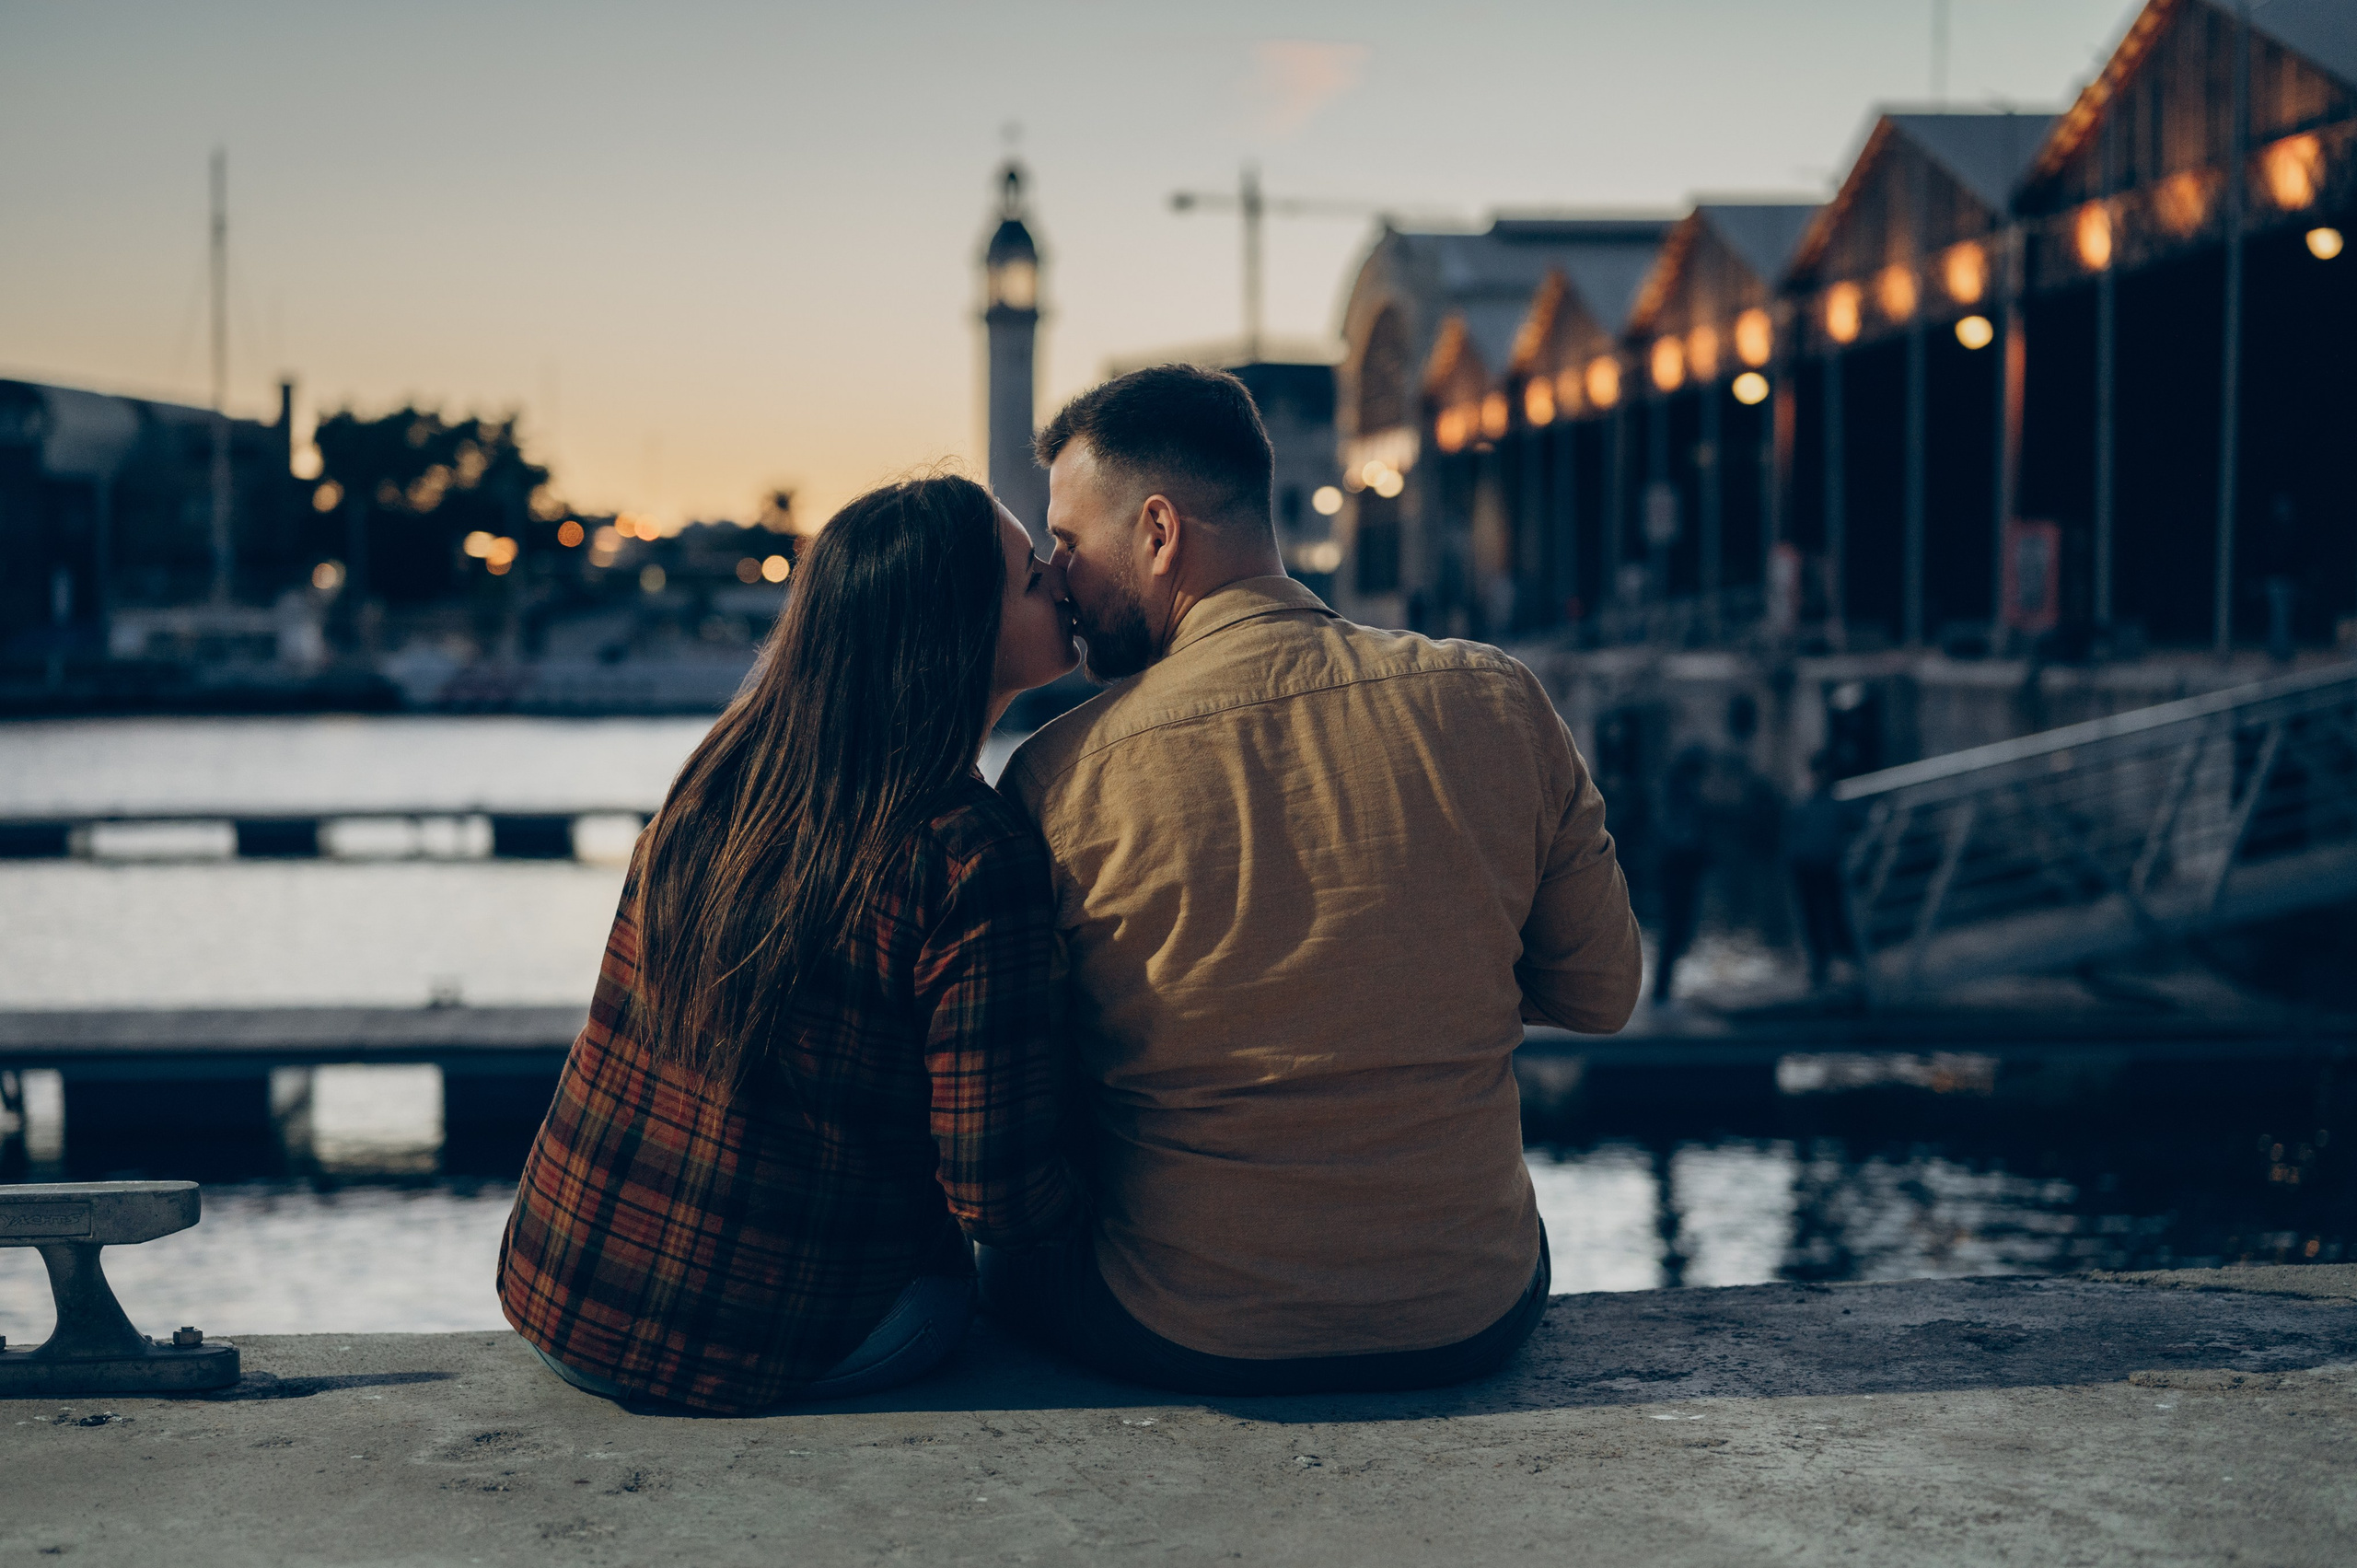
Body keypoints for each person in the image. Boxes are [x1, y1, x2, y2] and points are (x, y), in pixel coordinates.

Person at [987, 365, 1642, 1395]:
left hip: (1185, 1325)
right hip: (1466, 1310)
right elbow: (1602, 996)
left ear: (1157, 532)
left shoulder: (1062, 773)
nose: (1058, 578)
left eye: (1068, 543)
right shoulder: (1498, 700)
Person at [498, 474, 1086, 1414]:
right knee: (965, 1300)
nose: (1061, 578)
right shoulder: (970, 851)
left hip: (561, 1289)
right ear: (955, 627)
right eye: (1028, 576)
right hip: (750, 1342)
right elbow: (999, 1196)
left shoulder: (724, 772)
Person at [1785, 750, 1857, 991]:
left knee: (1835, 916)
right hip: (1806, 867)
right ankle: (1821, 965)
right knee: (1813, 918)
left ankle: (1847, 961)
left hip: (1826, 866)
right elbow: (1792, 837)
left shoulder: (1836, 804)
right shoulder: (1804, 802)